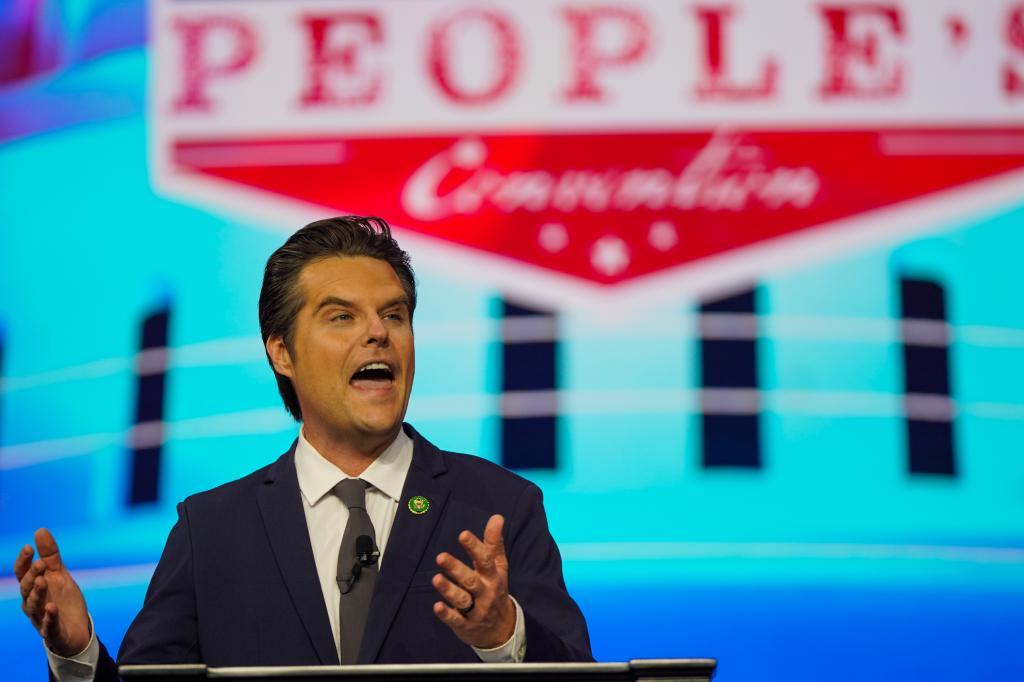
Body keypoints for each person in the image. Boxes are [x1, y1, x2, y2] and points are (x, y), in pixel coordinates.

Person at [14, 216, 592, 680]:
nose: (378, 333)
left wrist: (503, 634)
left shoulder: (496, 507)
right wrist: (78, 655)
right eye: (342, 315)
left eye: (394, 314)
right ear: (281, 353)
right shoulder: (211, 529)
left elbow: (580, 679)